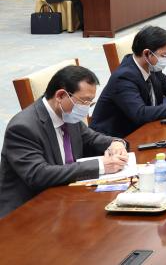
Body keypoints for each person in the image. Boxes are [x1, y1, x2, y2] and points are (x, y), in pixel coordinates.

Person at [0, 65, 128, 218]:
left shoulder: (67, 114)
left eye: (90, 103)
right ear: (60, 95)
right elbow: (38, 174)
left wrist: (115, 143)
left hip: (65, 196)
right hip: (28, 211)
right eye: (84, 101)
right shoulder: (22, 127)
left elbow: (91, 138)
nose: (86, 109)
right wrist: (101, 166)